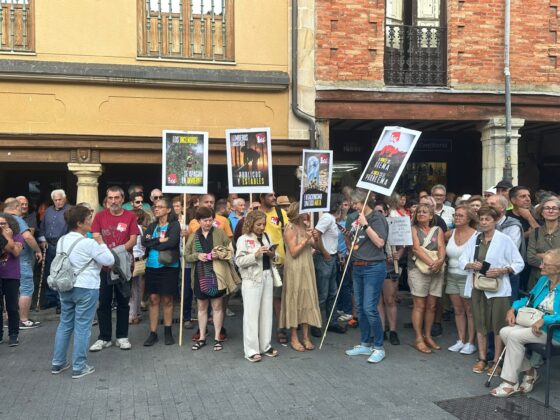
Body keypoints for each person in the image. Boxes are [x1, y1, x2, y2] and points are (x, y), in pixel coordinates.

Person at [459, 206, 525, 374]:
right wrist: (470, 264)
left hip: (499, 289)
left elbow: (519, 263)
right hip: (478, 287)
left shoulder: (504, 239)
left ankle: (496, 362)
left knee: (498, 325)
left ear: (495, 221)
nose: (483, 222)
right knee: (480, 323)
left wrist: (503, 270)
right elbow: (462, 259)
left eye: (487, 219)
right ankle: (482, 359)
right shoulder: (475, 238)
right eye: (481, 219)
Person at [51, 206, 114, 379]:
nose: (91, 221)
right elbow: (109, 260)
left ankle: (58, 362)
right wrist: (101, 242)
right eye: (88, 219)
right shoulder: (89, 243)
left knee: (65, 324)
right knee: (82, 327)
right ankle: (79, 366)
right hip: (86, 286)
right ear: (79, 223)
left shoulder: (62, 240)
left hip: (66, 285)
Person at [491, 249, 560, 397]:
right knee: (504, 331)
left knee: (515, 336)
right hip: (534, 325)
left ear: (558, 269)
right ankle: (530, 372)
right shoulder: (544, 280)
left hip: (553, 332)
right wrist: (513, 308)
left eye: (545, 264)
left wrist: (545, 320)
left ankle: (510, 383)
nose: (540, 266)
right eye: (542, 263)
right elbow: (529, 299)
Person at [89, 186, 140, 352]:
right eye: (110, 198)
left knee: (123, 302)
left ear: (122, 199)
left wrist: (116, 253)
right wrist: (107, 253)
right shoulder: (99, 215)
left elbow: (133, 240)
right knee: (103, 302)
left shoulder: (130, 216)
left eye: (116, 198)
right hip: (103, 266)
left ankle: (122, 336)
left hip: (123, 266)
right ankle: (104, 337)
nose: (113, 201)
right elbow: (95, 235)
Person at [344, 190, 389, 363]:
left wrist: (365, 225)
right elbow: (354, 242)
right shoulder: (355, 218)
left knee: (370, 307)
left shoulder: (377, 217)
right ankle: (365, 343)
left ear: (364, 202)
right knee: (361, 308)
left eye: (356, 203)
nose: (354, 206)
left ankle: (379, 346)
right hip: (357, 265)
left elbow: (379, 242)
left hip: (373, 267)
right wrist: (348, 236)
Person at [235, 210, 280, 362]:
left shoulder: (267, 236)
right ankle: (251, 350)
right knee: (251, 315)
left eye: (263, 224)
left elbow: (276, 257)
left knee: (267, 313)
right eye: (258, 224)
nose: (261, 227)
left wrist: (272, 254)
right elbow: (239, 261)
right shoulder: (243, 239)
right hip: (251, 279)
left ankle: (265, 346)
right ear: (251, 224)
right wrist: (255, 254)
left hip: (267, 276)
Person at [185, 207, 231, 351]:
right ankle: (202, 337)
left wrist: (219, 254)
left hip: (216, 274)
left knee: (217, 307)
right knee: (202, 307)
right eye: (205, 220)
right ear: (198, 221)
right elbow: (186, 255)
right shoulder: (194, 235)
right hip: (200, 275)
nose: (208, 223)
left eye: (210, 220)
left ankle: (217, 338)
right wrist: (197, 256)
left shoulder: (219, 233)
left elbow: (230, 250)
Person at [279, 202, 321, 352]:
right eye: (305, 211)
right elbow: (293, 252)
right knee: (294, 300)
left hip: (307, 266)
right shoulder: (290, 228)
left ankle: (306, 336)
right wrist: (305, 239)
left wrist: (316, 238)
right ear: (298, 212)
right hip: (295, 268)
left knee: (306, 299)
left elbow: (316, 247)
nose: (308, 214)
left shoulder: (305, 226)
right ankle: (294, 337)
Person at [407, 203, 446, 354]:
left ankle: (428, 336)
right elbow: (415, 249)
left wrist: (440, 261)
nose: (421, 214)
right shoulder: (413, 229)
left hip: (436, 269)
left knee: (432, 305)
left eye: (425, 212)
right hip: (418, 269)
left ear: (431, 216)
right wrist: (433, 263)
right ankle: (418, 338)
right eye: (419, 212)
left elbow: (441, 247)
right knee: (419, 305)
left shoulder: (438, 230)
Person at [143, 198, 181, 346]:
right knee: (153, 299)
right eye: (155, 206)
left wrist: (154, 243)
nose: (156, 209)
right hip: (152, 266)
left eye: (160, 206)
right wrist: (160, 240)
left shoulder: (174, 225)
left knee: (167, 299)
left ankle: (168, 331)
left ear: (168, 209)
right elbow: (144, 242)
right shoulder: (152, 225)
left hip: (169, 266)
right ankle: (153, 333)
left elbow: (172, 242)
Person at [3, 198, 42, 329]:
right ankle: (23, 320)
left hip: (5, 260)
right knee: (26, 288)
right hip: (21, 259)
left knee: (10, 289)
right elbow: (28, 237)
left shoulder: (2, 219)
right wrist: (37, 250)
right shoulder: (17, 220)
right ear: (16, 207)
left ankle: (10, 319)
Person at [445, 205, 478, 354]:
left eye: (461, 215)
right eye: (455, 215)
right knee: (458, 310)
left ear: (469, 218)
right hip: (451, 275)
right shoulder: (450, 233)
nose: (457, 218)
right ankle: (460, 340)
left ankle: (470, 342)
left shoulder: (476, 235)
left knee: (470, 311)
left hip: (468, 276)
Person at [312, 201, 347, 337]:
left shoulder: (331, 219)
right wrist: (324, 252)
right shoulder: (327, 217)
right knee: (323, 294)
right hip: (325, 258)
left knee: (332, 293)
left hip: (331, 257)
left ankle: (331, 322)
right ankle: (316, 324)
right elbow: (316, 234)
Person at [259, 192, 289, 345]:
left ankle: (280, 328)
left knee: (278, 297)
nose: (274, 198)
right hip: (259, 262)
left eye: (274, 195)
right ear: (262, 198)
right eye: (270, 195)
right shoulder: (254, 213)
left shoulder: (280, 212)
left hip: (278, 262)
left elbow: (287, 234)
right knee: (261, 297)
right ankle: (259, 330)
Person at [38, 189, 71, 313]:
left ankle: (60, 302)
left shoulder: (70, 210)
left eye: (60, 199)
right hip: (49, 245)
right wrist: (42, 239)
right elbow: (42, 227)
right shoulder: (48, 211)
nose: (58, 202)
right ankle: (50, 299)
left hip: (63, 245)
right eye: (55, 200)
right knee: (49, 272)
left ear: (64, 198)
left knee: (61, 273)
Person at [0, 213, 24, 346]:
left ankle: (13, 334)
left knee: (12, 307)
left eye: (3, 223)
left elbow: (16, 252)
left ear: (10, 224)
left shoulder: (17, 236)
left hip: (11, 275)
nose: (1, 226)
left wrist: (7, 237)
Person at [527, 197, 560, 290]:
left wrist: (542, 255)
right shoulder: (535, 232)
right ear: (541, 212)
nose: (550, 211)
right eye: (547, 208)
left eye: (554, 208)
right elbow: (530, 258)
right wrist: (555, 259)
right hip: (537, 280)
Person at [129, 208, 148, 325]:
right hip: (139, 260)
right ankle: (136, 313)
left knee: (132, 289)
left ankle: (132, 315)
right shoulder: (142, 229)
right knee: (136, 288)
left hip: (132, 260)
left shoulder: (133, 228)